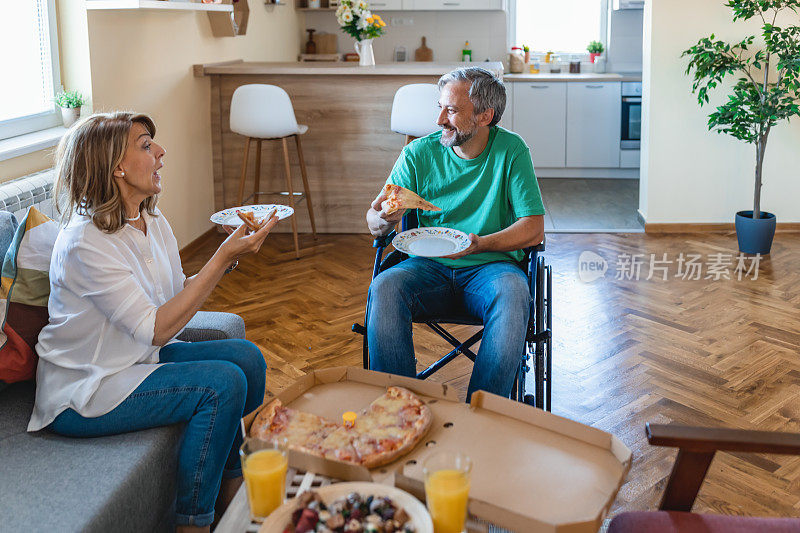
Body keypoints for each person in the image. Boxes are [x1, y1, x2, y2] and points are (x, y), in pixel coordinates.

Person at [27, 112, 274, 532]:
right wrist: (223, 257)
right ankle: (194, 523)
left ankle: (235, 500)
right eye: (146, 145)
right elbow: (157, 328)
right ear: (115, 167)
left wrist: (231, 254)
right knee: (222, 384)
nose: (161, 152)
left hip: (139, 361)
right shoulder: (85, 243)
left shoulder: (151, 220)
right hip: (87, 389)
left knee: (247, 359)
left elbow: (177, 292)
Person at [365, 67, 545, 402]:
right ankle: (400, 409)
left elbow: (533, 228)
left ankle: (483, 412)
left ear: (484, 115)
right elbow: (374, 221)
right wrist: (383, 218)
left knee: (514, 293)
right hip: (425, 268)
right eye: (439, 107)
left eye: (451, 110)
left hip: (491, 269)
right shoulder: (418, 153)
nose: (439, 121)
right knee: (385, 287)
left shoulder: (512, 151)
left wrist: (482, 244)